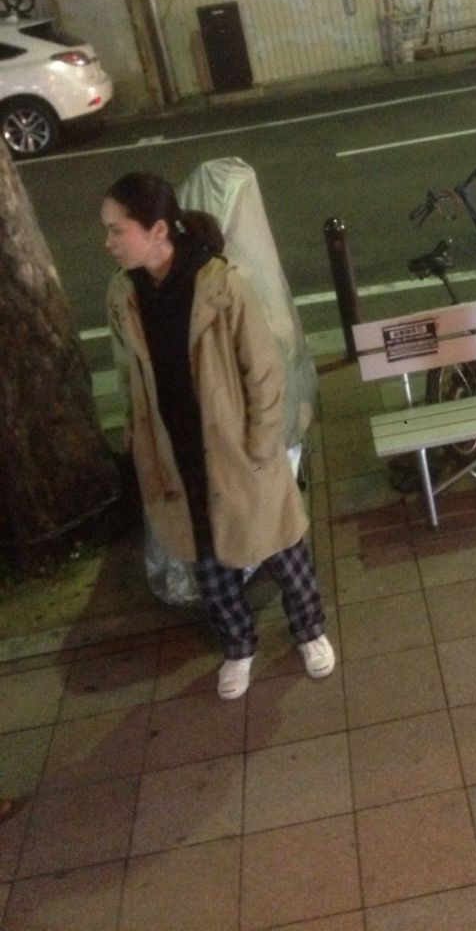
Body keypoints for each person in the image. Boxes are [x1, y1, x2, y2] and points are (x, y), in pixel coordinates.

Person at [101, 172, 334, 699]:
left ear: (158, 230)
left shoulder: (220, 285)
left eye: (118, 229)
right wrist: (137, 436)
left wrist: (261, 442)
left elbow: (265, 371)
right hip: (172, 449)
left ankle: (309, 629)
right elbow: (126, 374)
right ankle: (237, 645)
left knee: (278, 542)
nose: (109, 242)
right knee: (204, 556)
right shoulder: (123, 294)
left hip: (235, 447)